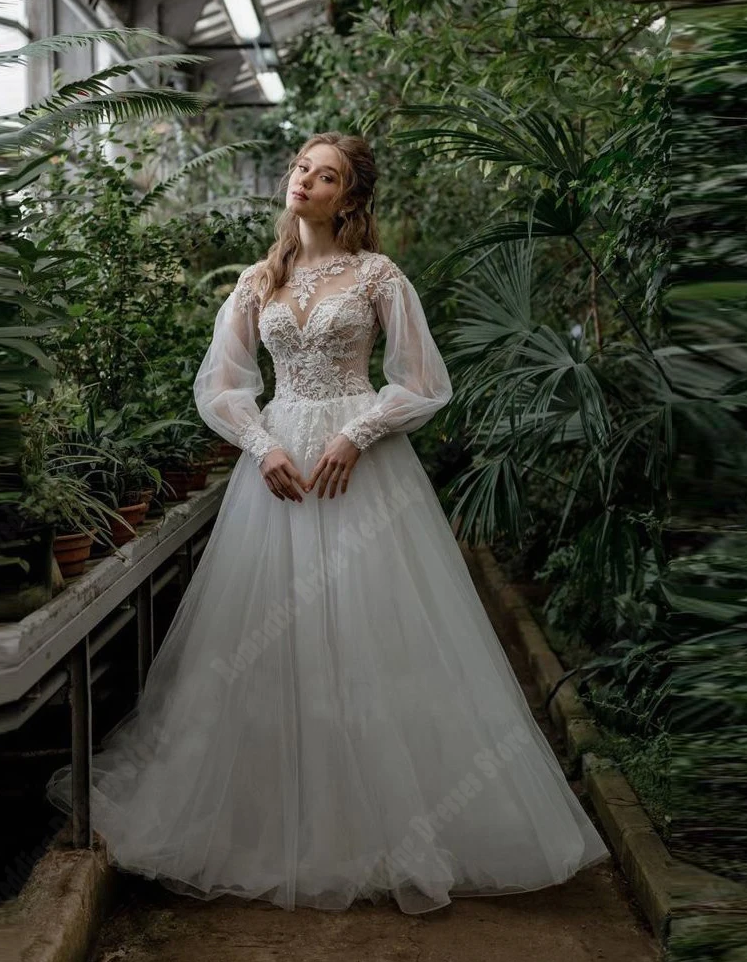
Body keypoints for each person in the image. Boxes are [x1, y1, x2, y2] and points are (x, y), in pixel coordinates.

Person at [46, 131, 611, 915]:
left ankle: (394, 824)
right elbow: (221, 384)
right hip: (275, 472)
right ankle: (272, 823)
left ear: (350, 198)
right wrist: (259, 443)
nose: (306, 180)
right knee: (270, 644)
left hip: (362, 472)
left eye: (327, 175)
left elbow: (422, 380)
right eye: (302, 168)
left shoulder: (379, 275)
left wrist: (358, 433)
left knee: (378, 639)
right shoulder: (256, 281)